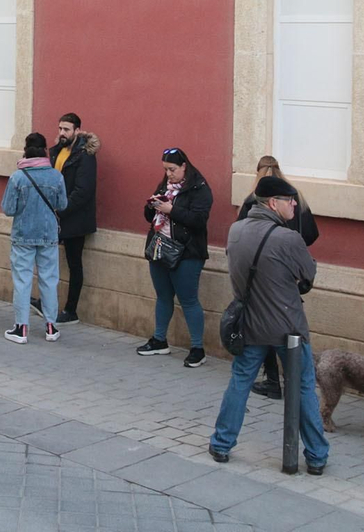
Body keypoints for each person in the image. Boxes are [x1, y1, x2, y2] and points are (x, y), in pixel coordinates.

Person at [207, 172, 328, 473]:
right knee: (302, 388)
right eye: (291, 202)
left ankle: (221, 443)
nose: (295, 207)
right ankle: (316, 455)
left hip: (249, 324)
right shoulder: (289, 238)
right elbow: (309, 274)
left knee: (240, 382)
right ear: (274, 203)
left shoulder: (236, 230)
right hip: (289, 329)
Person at [241, 157, 319, 398]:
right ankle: (294, 383)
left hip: (263, 276)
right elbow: (312, 233)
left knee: (263, 327)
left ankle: (273, 380)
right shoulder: (296, 196)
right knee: (289, 326)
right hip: (291, 275)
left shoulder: (254, 198)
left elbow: (243, 234)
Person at [137, 147, 213, 365]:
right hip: (160, 247)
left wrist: (171, 210)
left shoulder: (200, 188)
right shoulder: (166, 186)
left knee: (188, 300)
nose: (168, 174)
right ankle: (159, 340)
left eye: (172, 169)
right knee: (162, 296)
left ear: (184, 167)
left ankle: (198, 348)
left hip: (187, 252)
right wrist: (152, 206)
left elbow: (198, 220)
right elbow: (148, 217)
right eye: (165, 169)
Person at [2, 132, 67, 344]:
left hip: (23, 235)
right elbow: (62, 204)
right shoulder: (56, 176)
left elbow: (8, 209)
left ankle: (21, 328)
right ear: (45, 149)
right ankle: (51, 326)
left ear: (26, 150)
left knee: (22, 281)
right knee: (49, 279)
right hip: (48, 235)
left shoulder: (18, 177)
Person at [39, 113, 98, 326]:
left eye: (66, 129)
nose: (62, 133)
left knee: (74, 264)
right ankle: (46, 303)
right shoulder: (58, 152)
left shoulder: (85, 155)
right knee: (48, 261)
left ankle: (71, 310)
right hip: (56, 216)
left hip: (75, 218)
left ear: (77, 131)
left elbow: (83, 191)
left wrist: (60, 210)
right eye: (60, 129)